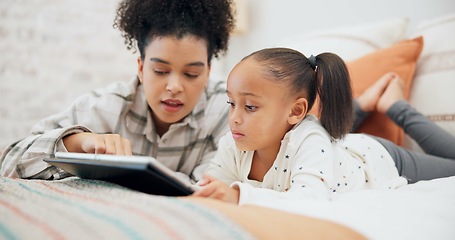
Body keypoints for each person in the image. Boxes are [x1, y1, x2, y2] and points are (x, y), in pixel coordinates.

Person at [0, 0, 235, 182]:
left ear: (207, 72)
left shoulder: (228, 110)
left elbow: (211, 186)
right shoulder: (108, 107)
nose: (174, 87)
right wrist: (78, 142)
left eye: (191, 74)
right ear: (141, 69)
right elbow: (9, 161)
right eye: (160, 71)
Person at [192, 47, 455, 205]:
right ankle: (362, 104)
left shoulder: (309, 140)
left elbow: (308, 201)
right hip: (336, 148)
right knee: (327, 133)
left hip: (376, 157)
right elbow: (214, 183)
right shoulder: (236, 140)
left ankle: (395, 106)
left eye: (249, 107)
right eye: (231, 103)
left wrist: (239, 196)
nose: (234, 118)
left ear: (296, 111)